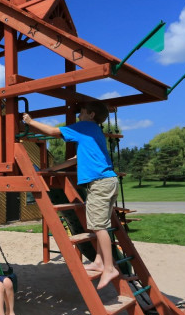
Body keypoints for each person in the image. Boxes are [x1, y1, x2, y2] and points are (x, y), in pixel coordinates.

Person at [21, 101, 119, 289]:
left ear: (90, 115)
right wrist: (52, 169)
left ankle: (109, 267)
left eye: (81, 112)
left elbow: (53, 132)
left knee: (98, 226)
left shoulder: (85, 126)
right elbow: (76, 159)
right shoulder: (94, 131)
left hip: (100, 183)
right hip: (106, 182)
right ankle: (99, 261)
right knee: (100, 224)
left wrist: (30, 121)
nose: (78, 117)